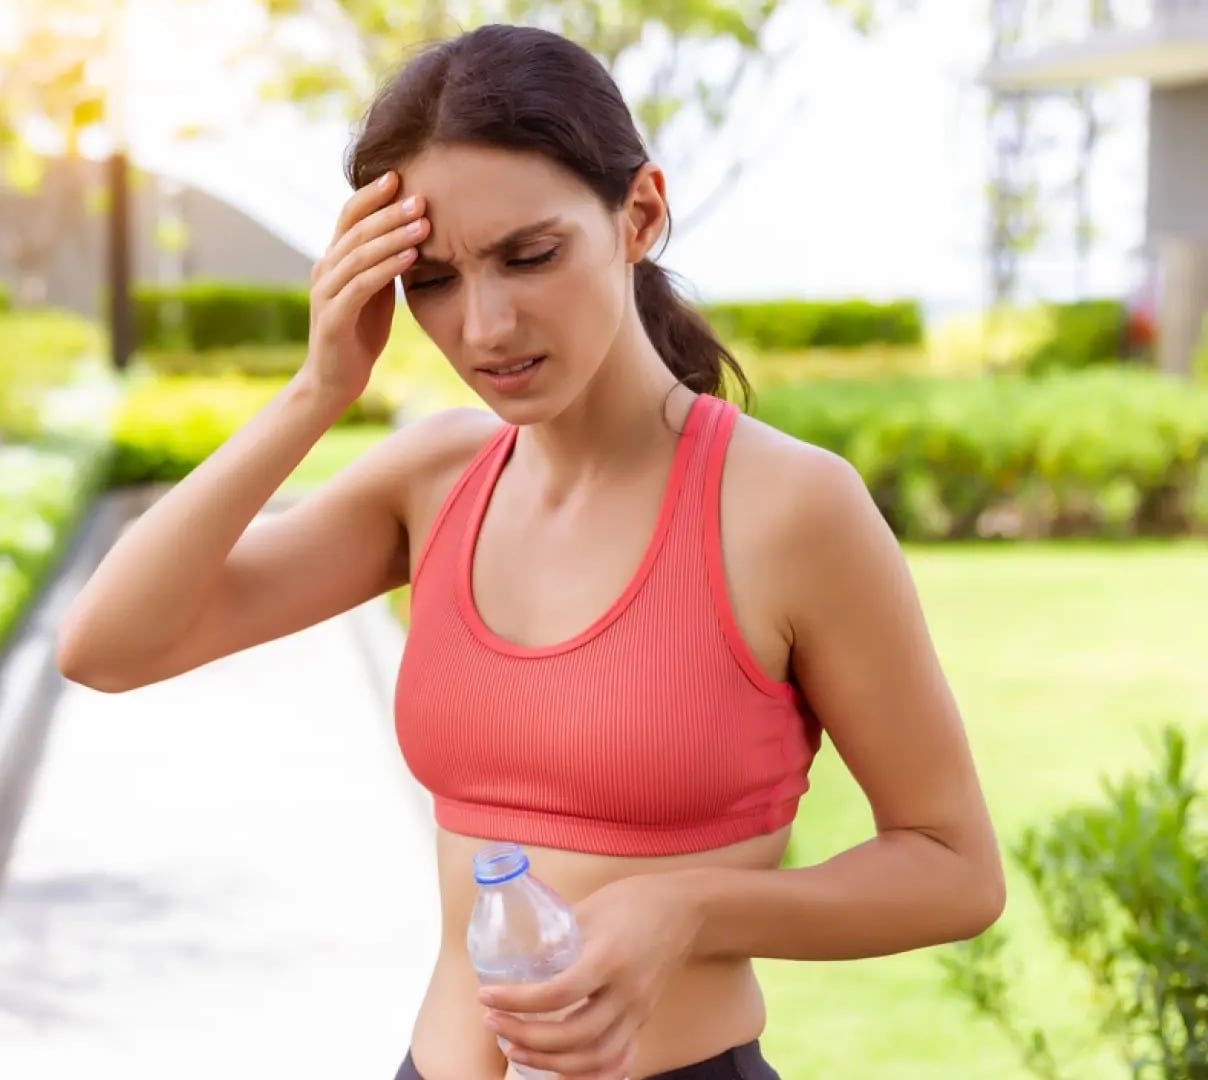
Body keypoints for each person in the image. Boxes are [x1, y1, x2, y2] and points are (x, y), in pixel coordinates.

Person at [55, 23, 1005, 1080]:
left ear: (639, 213)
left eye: (530, 254)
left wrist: (687, 909)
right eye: (433, 280)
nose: (486, 326)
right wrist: (316, 392)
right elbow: (107, 646)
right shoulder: (434, 482)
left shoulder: (786, 508)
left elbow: (954, 869)